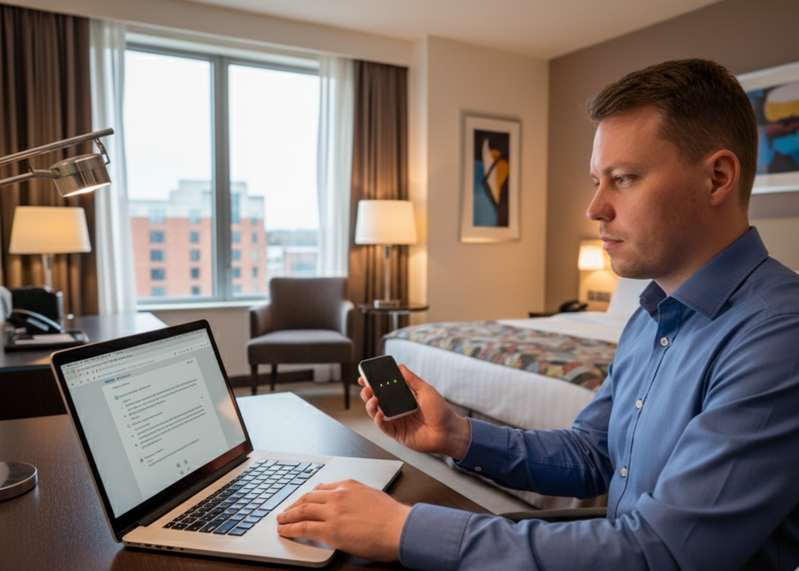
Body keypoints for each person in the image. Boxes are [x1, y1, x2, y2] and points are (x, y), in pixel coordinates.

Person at [276, 59, 799, 570]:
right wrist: (457, 435)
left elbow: (663, 551)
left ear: (718, 178)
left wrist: (403, 530)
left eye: (623, 179)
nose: (594, 209)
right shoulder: (650, 317)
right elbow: (596, 453)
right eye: (597, 180)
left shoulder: (778, 335)